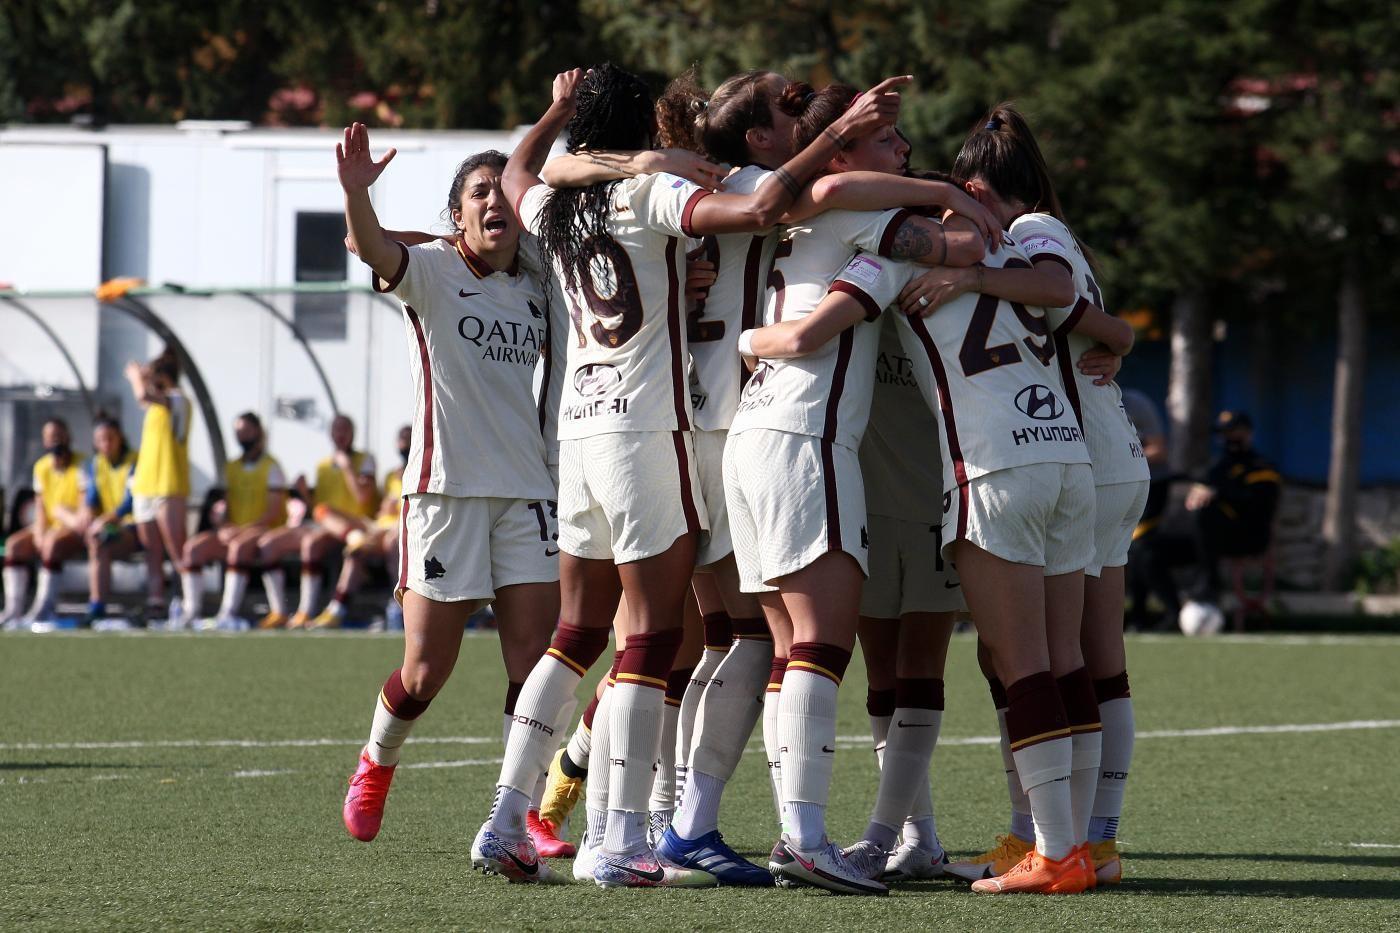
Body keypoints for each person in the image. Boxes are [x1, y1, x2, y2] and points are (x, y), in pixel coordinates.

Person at [476, 63, 916, 889]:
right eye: (787, 109)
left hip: (581, 429)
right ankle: (641, 829)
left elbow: (518, 174)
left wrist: (560, 118)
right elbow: (773, 205)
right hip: (694, 425)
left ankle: (521, 813)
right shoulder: (710, 184)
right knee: (682, 638)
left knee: (590, 634)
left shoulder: (564, 199)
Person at [725, 83, 992, 894]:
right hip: (807, 435)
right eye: (890, 141)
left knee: (786, 647)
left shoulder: (769, 202)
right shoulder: (866, 228)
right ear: (841, 151)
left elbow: (829, 186)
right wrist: (947, 196)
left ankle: (791, 830)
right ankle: (805, 837)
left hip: (752, 434)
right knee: (820, 643)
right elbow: (966, 247)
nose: (905, 151)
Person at [895, 104, 1143, 888]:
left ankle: (1078, 840)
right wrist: (1119, 340)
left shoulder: (1031, 229)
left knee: (1064, 660)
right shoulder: (1034, 232)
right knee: (1047, 659)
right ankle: (1058, 836)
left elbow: (1060, 292)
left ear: (974, 188)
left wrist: (966, 272)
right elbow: (1102, 322)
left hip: (1063, 456)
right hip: (1077, 451)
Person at [335, 133, 562, 868]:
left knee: (533, 667)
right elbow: (366, 243)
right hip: (445, 492)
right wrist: (357, 190)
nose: (496, 200)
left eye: (504, 191)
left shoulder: (537, 281)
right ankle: (376, 760)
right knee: (427, 671)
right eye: (479, 193)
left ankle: (514, 814)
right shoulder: (430, 271)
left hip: (527, 491)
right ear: (456, 215)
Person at [254, 414, 376, 629]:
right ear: (330, 433)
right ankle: (280, 611)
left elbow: (363, 498)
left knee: (315, 539)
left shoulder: (364, 460)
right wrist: (303, 494)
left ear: (353, 433)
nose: (341, 435)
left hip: (356, 524)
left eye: (345, 430)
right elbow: (318, 508)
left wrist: (347, 467)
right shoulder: (322, 465)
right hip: (325, 524)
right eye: (337, 430)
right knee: (269, 544)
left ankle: (306, 610)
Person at [175, 412, 287, 630]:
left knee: (238, 547)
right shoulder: (232, 467)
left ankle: (227, 612)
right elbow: (223, 507)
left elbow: (272, 513)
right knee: (193, 549)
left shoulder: (272, 467)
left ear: (258, 432)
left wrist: (240, 530)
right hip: (236, 531)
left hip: (264, 531)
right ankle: (191, 612)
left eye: (246, 431)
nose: (242, 436)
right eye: (238, 432)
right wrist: (223, 526)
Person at [310, 424, 411, 629]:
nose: (405, 444)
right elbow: (383, 510)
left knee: (394, 541)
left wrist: (347, 467)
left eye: (409, 439)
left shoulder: (421, 471)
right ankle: (336, 609)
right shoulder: (392, 475)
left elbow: (363, 497)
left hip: (400, 529)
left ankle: (400, 603)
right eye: (401, 439)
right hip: (376, 527)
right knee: (327, 519)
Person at [1184, 410, 1281, 607]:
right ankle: (1167, 614)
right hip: (1210, 538)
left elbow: (1258, 506)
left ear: (1247, 433)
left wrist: (1218, 494)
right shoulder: (1218, 465)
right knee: (1150, 551)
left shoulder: (1261, 466)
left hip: (1248, 536)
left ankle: (1209, 586)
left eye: (1232, 432)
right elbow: (1199, 483)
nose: (1227, 438)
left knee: (1206, 514)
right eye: (1223, 433)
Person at [125, 348, 193, 627]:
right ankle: (156, 603)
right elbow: (146, 401)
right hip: (146, 486)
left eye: (154, 377)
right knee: (152, 551)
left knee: (177, 550)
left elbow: (143, 395)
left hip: (168, 485)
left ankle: (189, 604)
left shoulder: (178, 399)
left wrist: (134, 377)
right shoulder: (154, 407)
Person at [1, 418, 86, 628]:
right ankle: (13, 610)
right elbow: (40, 506)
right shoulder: (41, 467)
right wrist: (39, 532)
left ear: (68, 436)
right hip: (48, 527)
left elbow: (83, 510)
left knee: (51, 545)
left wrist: (59, 522)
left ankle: (42, 609)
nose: (55, 441)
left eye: (58, 435)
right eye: (50, 437)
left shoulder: (82, 464)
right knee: (14, 545)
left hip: (71, 529)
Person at [1120, 389, 1178, 629]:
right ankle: (1136, 616)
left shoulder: (1135, 403)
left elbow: (1159, 449)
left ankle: (1171, 612)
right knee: (1123, 552)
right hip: (1114, 487)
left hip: (1152, 485)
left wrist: (1119, 459)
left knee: (1139, 547)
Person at [81, 416, 139, 627]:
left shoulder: (135, 460)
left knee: (102, 537)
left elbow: (131, 502)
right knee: (98, 541)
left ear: (120, 438)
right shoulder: (96, 464)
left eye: (110, 438)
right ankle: (96, 605)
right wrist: (88, 511)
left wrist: (105, 519)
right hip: (106, 527)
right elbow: (92, 497)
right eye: (101, 439)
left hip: (132, 527)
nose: (106, 444)